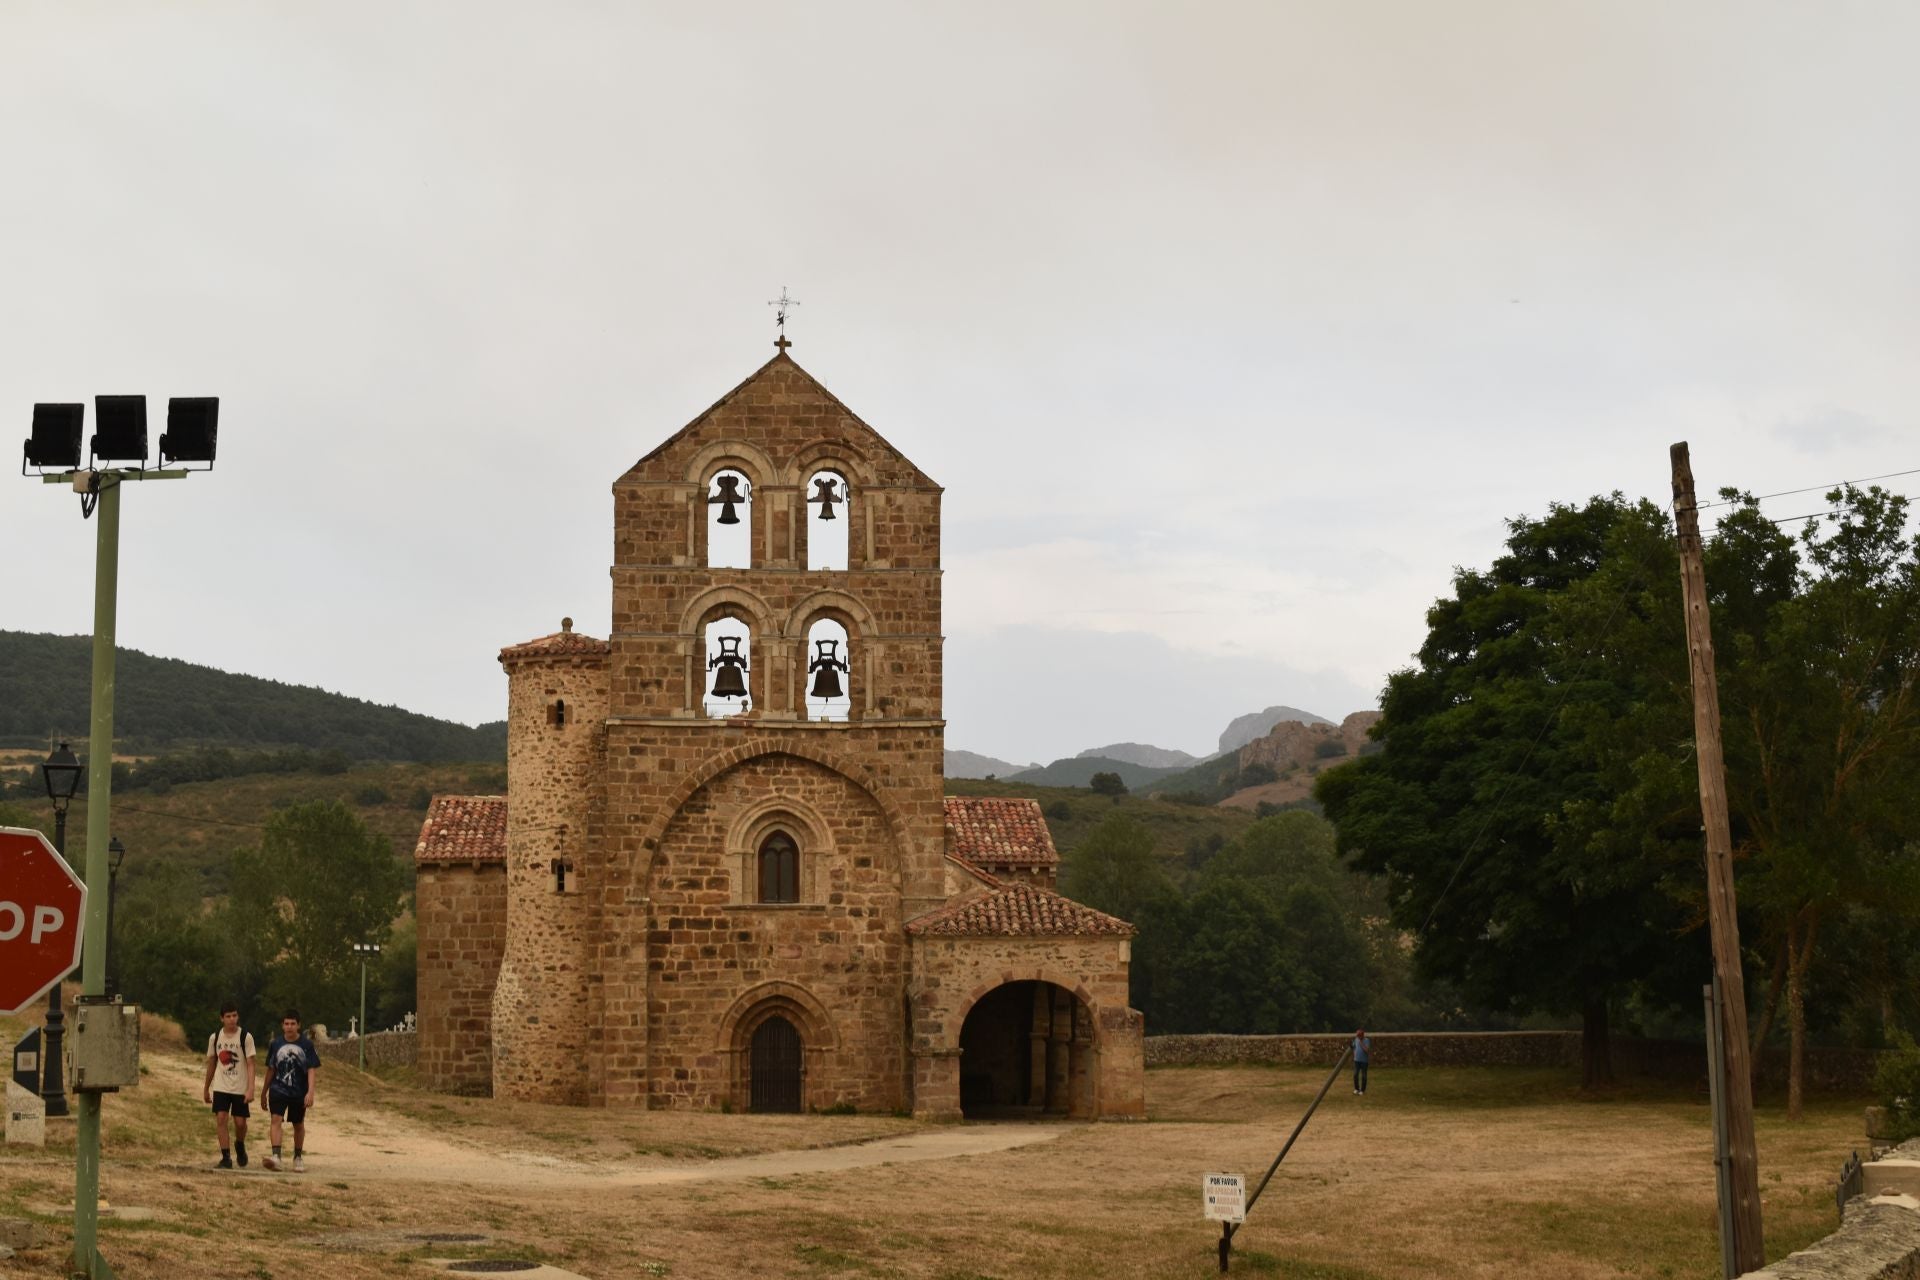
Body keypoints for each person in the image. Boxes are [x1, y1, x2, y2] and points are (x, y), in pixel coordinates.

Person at [260, 1009, 320, 1172]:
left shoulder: (306, 1045)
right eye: (286, 1024)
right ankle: (276, 1156)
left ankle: (298, 1157)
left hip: (298, 1092)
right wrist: (264, 1091)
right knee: (276, 1120)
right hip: (278, 1090)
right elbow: (271, 1069)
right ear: (282, 1025)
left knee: (298, 1124)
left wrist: (310, 1092)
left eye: (293, 1024)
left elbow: (311, 1069)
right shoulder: (276, 1044)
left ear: (299, 1025)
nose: (289, 1027)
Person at [201, 1003, 256, 1169]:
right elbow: (212, 1062)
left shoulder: (245, 1037)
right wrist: (206, 1088)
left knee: (240, 1123)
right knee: (221, 1118)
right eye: (228, 1016)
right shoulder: (215, 1037)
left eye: (234, 1015)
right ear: (222, 1018)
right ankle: (226, 1157)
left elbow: (251, 1064)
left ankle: (240, 1144)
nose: (232, 1019)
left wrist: (251, 1088)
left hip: (240, 1086)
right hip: (221, 1086)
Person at [1351, 1028, 1371, 1095]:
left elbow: (1367, 1050)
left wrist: (1361, 1043)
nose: (1358, 1037)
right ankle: (1356, 1089)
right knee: (1355, 1075)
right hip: (1357, 1060)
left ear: (1362, 1035)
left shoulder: (1367, 1040)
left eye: (1359, 1035)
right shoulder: (1356, 1039)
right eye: (1357, 1035)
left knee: (1364, 1076)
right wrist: (1354, 1055)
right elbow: (1353, 1047)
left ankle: (1362, 1090)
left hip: (1364, 1061)